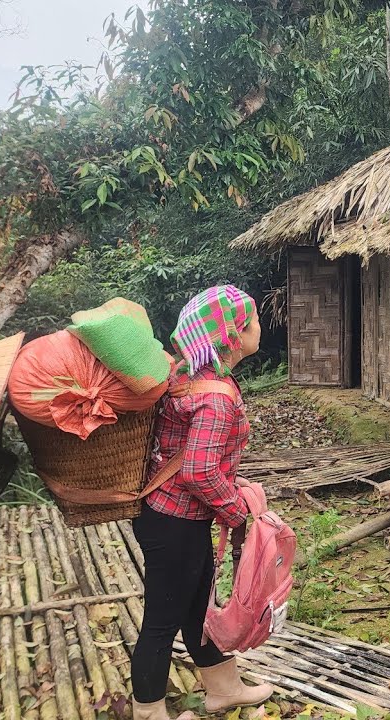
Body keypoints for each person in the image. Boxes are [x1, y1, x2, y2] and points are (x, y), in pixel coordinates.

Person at [131, 285, 274, 720]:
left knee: (196, 606)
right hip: (173, 523)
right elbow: (198, 471)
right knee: (162, 620)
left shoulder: (191, 373)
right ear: (234, 334)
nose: (259, 326)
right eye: (253, 320)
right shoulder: (216, 397)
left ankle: (224, 689)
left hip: (175, 517)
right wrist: (236, 512)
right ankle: (148, 712)